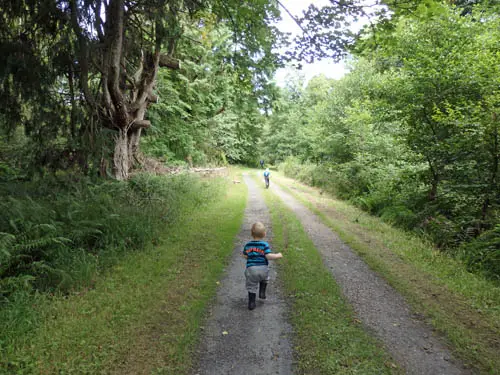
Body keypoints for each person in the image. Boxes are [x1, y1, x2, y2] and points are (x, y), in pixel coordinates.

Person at [242, 222, 283, 310]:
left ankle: (251, 303)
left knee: (251, 286)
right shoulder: (264, 245)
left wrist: (250, 256)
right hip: (263, 269)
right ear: (264, 234)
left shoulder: (248, 245)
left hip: (251, 270)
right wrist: (278, 255)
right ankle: (262, 293)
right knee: (265, 278)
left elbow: (245, 256)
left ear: (251, 233)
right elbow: (268, 256)